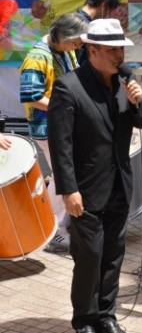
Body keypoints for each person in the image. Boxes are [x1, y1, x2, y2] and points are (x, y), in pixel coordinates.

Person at [47, 19, 142, 333]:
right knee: (89, 257)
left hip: (119, 185)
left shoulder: (124, 82)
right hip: (86, 188)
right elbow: (60, 143)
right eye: (111, 50)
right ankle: (84, 320)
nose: (119, 55)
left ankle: (107, 316)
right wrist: (68, 189)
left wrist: (137, 100)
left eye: (121, 49)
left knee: (113, 256)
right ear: (92, 51)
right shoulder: (69, 86)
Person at [19, 13, 89, 251]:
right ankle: (51, 229)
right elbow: (32, 96)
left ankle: (53, 224)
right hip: (47, 127)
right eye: (76, 43)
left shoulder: (64, 48)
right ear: (62, 36)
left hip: (64, 124)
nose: (78, 48)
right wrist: (68, 106)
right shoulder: (37, 57)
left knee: (67, 174)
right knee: (63, 176)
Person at [75, 0, 121, 65]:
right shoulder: (85, 26)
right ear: (104, 6)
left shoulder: (74, 19)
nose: (107, 16)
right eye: (108, 12)